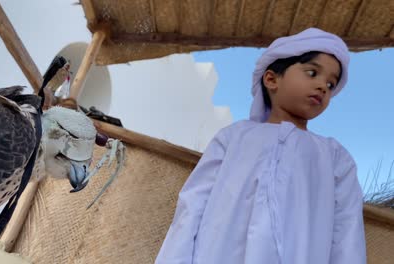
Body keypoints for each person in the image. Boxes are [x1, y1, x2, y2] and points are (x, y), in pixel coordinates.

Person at [155, 28, 366, 264]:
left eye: (331, 83)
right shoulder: (234, 138)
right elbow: (193, 205)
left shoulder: (335, 157)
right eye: (312, 72)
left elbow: (347, 231)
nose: (323, 87)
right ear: (272, 79)